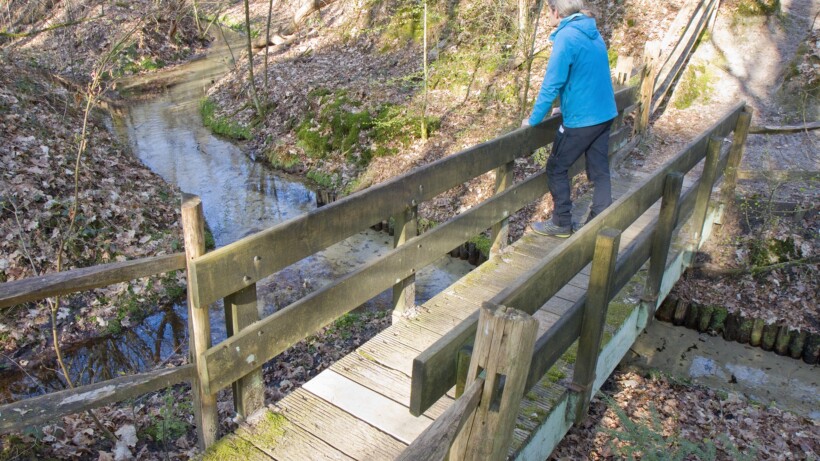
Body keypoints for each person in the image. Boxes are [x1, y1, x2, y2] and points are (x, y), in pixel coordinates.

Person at [522, 0, 617, 238]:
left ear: (555, 11)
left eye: (548, 11)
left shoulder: (566, 37)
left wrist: (533, 120)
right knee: (599, 169)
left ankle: (561, 222)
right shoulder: (592, 31)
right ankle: (600, 221)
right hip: (604, 113)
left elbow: (552, 84)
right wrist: (565, 107)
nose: (547, 16)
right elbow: (585, 76)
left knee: (556, 167)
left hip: (583, 120)